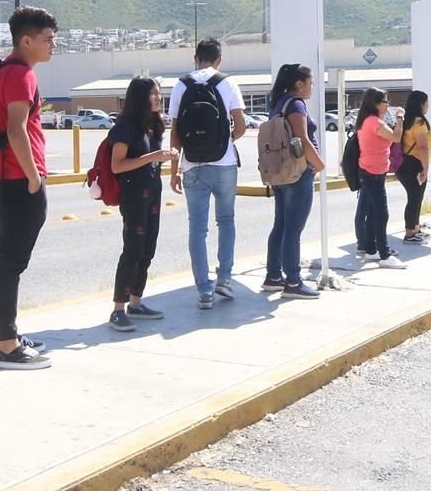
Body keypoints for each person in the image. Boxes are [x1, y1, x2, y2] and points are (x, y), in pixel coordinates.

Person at [0, 6, 57, 370]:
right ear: (25, 40)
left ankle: (8, 335)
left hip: (3, 176)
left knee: (7, 260)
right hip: (17, 179)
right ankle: (8, 346)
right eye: (47, 39)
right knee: (10, 261)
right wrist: (33, 176)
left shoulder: (5, 71)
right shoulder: (21, 76)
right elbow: (16, 130)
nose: (52, 45)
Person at [168, 38, 247, 310]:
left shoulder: (182, 84)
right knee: (226, 220)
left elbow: (175, 133)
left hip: (192, 165)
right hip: (224, 164)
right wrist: (224, 144)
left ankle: (204, 291)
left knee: (197, 229)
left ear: (195, 58)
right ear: (219, 60)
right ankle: (224, 279)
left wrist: (174, 170)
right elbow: (241, 125)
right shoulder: (227, 82)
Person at [107, 77, 178, 332]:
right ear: (140, 97)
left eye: (159, 94)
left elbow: (152, 159)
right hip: (133, 193)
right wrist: (154, 156)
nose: (158, 98)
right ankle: (118, 308)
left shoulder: (154, 124)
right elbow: (118, 165)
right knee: (133, 249)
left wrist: (168, 162)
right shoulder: (126, 125)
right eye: (153, 94)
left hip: (153, 192)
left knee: (148, 248)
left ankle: (136, 302)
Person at [263, 64, 325, 299]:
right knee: (293, 229)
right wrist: (319, 165)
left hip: (280, 172)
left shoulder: (278, 103)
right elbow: (302, 139)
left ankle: (273, 276)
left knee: (281, 225)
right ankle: (293, 281)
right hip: (298, 173)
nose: (312, 87)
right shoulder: (296, 104)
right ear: (299, 83)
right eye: (310, 82)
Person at [355, 88, 407, 268]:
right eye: (385, 102)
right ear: (376, 103)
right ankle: (384, 254)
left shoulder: (367, 121)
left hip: (369, 170)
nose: (388, 105)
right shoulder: (373, 122)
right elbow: (396, 137)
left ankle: (371, 250)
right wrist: (400, 117)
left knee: (372, 212)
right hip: (373, 173)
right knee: (381, 213)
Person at [395, 90, 431, 243]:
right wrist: (425, 168)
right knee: (415, 198)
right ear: (421, 105)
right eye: (426, 103)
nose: (428, 106)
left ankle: (415, 228)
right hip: (414, 163)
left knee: (415, 198)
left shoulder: (408, 120)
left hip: (405, 164)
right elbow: (422, 147)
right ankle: (410, 232)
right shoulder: (419, 122)